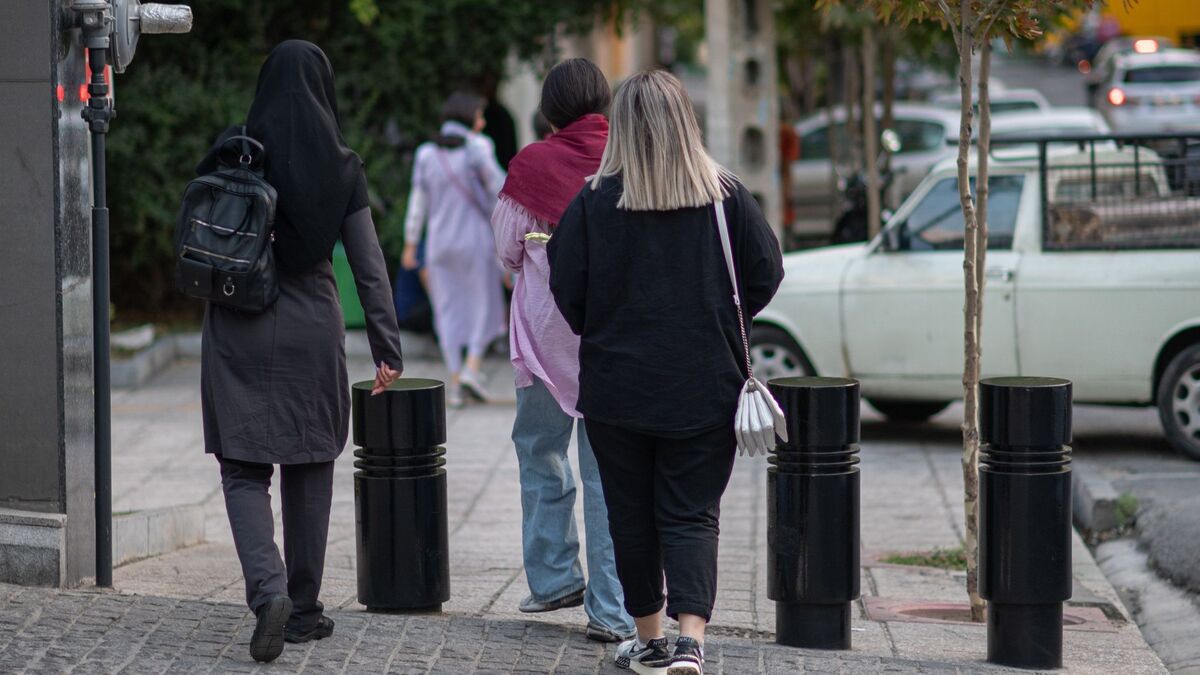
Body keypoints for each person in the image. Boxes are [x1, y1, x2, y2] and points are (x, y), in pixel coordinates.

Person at [548, 70, 784, 675]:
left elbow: (565, 288)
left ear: (621, 126)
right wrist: (715, 320)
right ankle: (691, 641)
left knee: (629, 512)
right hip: (705, 383)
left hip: (617, 388)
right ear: (688, 122)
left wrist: (604, 328)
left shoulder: (595, 201)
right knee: (691, 512)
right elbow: (766, 272)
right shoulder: (726, 196)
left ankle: (649, 639)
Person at [197, 41, 404, 664]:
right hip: (312, 324)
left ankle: (269, 595)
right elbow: (369, 267)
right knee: (311, 463)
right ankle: (305, 610)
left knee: (242, 468)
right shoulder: (343, 167)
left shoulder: (236, 151)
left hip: (237, 323)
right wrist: (386, 347)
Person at [491, 58, 634, 644]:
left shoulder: (531, 164)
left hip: (546, 339)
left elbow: (505, 252)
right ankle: (613, 610)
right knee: (610, 476)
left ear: (549, 110)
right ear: (605, 101)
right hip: (614, 341)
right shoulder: (633, 160)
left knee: (541, 450)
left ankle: (553, 579)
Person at [403, 92, 507, 407]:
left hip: (438, 243)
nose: (483, 122)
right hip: (475, 240)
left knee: (445, 308)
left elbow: (417, 202)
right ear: (468, 118)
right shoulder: (479, 148)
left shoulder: (426, 154)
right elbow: (500, 190)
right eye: (479, 115)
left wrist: (411, 242)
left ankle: (456, 378)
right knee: (484, 303)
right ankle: (472, 367)